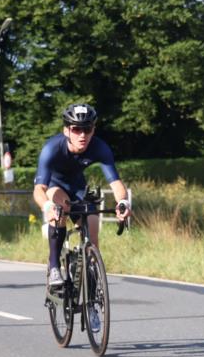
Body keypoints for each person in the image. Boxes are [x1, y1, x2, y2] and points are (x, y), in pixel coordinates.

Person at [33, 104, 131, 296]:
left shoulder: (99, 147)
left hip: (77, 187)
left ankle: (92, 292)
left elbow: (116, 184)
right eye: (76, 129)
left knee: (92, 226)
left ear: (93, 130)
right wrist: (47, 206)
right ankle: (54, 267)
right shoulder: (52, 149)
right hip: (54, 186)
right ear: (66, 130)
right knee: (59, 208)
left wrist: (123, 203)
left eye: (87, 129)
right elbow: (39, 189)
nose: (82, 135)